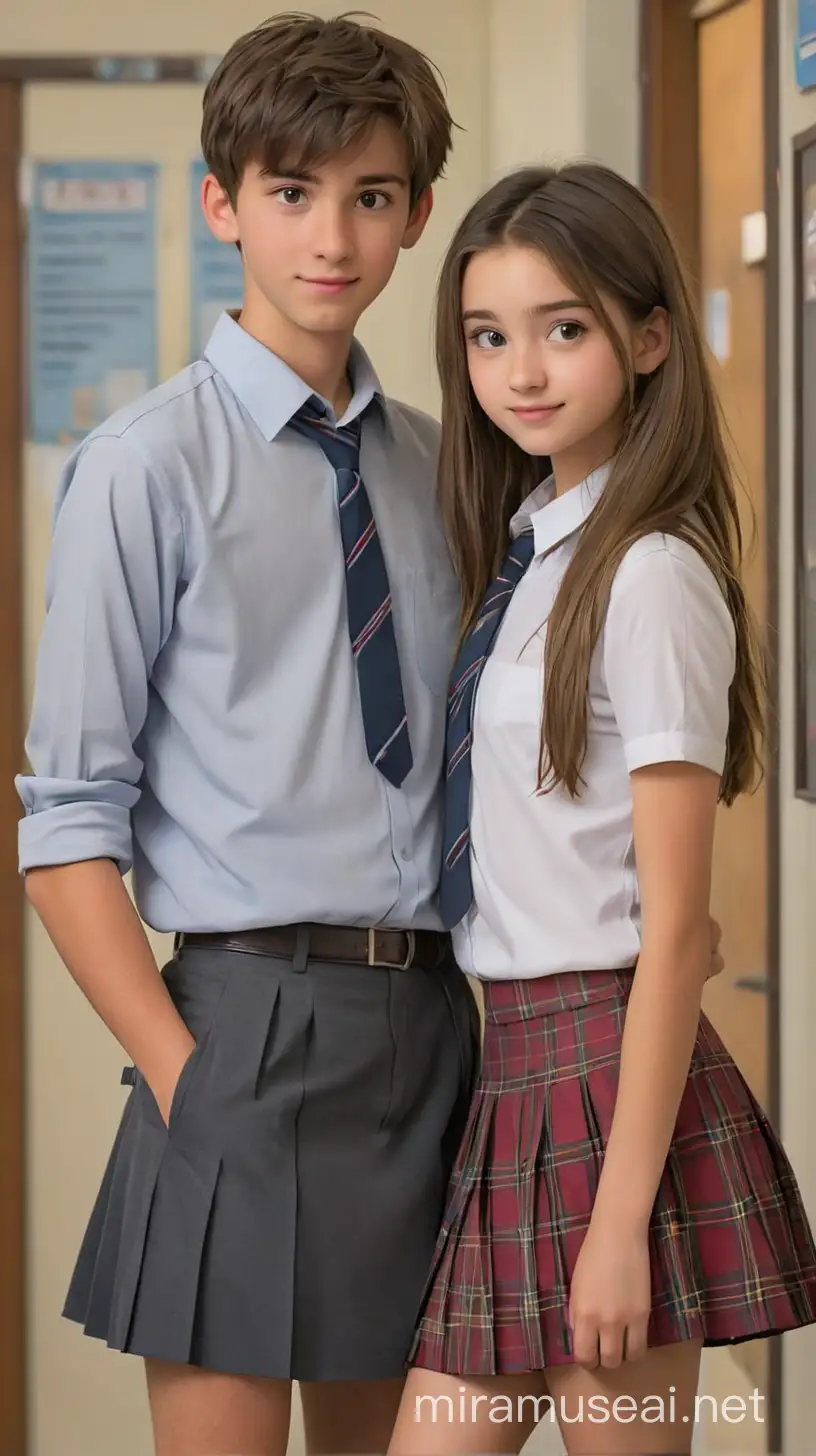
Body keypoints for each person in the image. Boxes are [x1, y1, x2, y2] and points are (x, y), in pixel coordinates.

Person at [15, 15, 481, 1456]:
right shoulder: (142, 470)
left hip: (430, 1029)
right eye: (291, 192)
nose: (330, 235)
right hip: (239, 1029)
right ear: (223, 204)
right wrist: (177, 1067)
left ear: (413, 216)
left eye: (372, 195)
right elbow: (67, 817)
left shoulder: (449, 471)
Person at [386, 163, 816, 1456]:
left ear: (647, 339)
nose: (521, 370)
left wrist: (622, 1220)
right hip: (511, 1073)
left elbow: (682, 930)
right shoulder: (528, 544)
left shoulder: (650, 572)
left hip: (615, 1080)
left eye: (563, 328)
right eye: (488, 335)